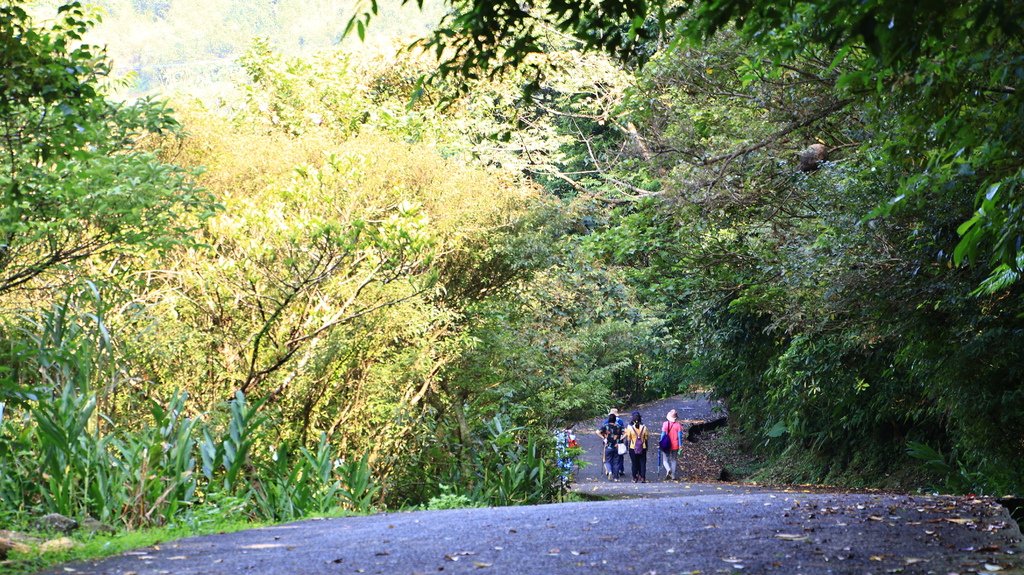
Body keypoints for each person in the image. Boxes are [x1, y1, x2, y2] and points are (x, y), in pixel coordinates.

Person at [622, 410, 649, 483]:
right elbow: (646, 438)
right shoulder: (644, 427)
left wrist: (627, 446)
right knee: (643, 463)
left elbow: (628, 438)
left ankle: (634, 478)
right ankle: (643, 477)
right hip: (642, 447)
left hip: (633, 447)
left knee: (634, 463)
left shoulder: (630, 428)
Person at [596, 413, 624, 480]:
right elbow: (626, 432)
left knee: (607, 460)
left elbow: (597, 432)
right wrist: (621, 438)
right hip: (617, 446)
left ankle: (610, 471)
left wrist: (603, 438)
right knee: (616, 462)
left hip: (608, 446)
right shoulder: (619, 426)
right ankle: (616, 477)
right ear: (615, 420)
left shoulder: (605, 426)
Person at [659, 409, 684, 480]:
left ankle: (668, 469)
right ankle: (673, 475)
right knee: (673, 460)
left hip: (666, 445)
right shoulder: (678, 425)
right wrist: (680, 445)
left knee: (665, 460)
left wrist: (660, 443)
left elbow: (663, 435)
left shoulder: (665, 424)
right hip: (675, 445)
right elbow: (680, 436)